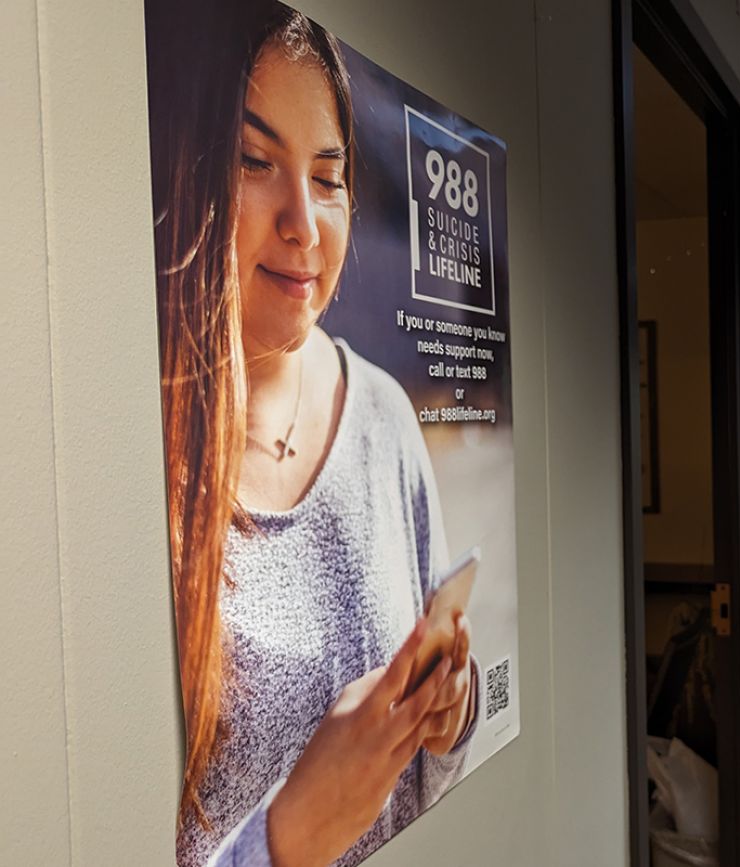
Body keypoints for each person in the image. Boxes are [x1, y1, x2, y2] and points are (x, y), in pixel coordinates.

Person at [147, 4, 478, 865]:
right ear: (184, 169)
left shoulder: (382, 415)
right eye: (256, 162)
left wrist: (452, 711)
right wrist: (288, 836)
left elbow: (431, 775)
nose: (303, 221)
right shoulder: (141, 455)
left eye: (327, 176)